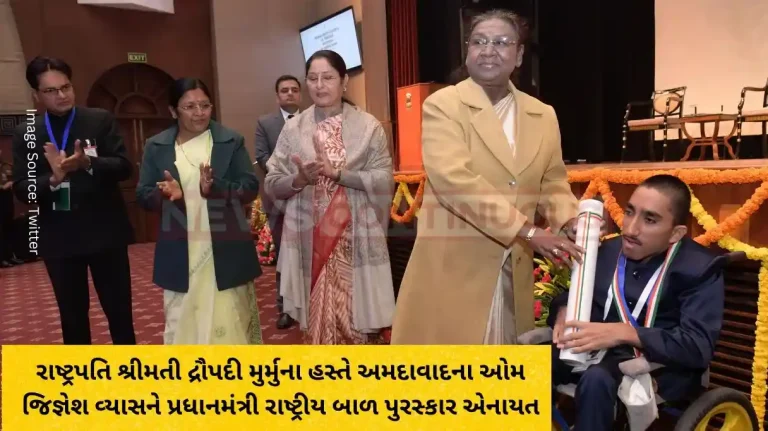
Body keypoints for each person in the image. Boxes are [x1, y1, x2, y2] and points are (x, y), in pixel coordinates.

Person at [391, 10, 590, 345]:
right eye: (479, 41)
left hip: (513, 265)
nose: (488, 50)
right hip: (455, 267)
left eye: (501, 42)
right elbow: (455, 181)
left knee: (506, 362)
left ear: (519, 55)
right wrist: (527, 231)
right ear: (467, 50)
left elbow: (552, 182)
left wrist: (568, 219)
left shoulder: (542, 114)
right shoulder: (444, 105)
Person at [549, 174, 724, 431]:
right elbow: (575, 294)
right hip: (595, 350)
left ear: (675, 233)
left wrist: (627, 333)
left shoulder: (700, 268)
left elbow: (697, 347)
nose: (630, 229)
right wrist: (564, 309)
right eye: (630, 212)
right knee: (523, 363)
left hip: (658, 365)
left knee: (597, 379)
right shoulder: (609, 250)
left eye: (649, 219)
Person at [264, 49, 395, 345]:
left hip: (356, 240)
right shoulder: (293, 129)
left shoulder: (368, 127)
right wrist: (298, 180)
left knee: (355, 321)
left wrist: (340, 175)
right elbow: (272, 182)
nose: (320, 85)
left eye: (328, 78)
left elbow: (384, 179)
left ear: (344, 81)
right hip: (309, 240)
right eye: (313, 78)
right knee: (317, 323)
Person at [11, 56, 136, 345]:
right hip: (60, 238)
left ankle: (131, 370)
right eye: (51, 90)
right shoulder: (27, 133)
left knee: (119, 314)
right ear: (36, 95)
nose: (61, 95)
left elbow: (124, 167)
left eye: (65, 87)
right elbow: (22, 188)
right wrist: (53, 180)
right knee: (73, 318)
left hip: (105, 232)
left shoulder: (99, 120)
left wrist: (87, 163)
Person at [136, 78, 263, 345]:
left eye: (205, 105)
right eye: (190, 107)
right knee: (183, 323)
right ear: (173, 111)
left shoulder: (230, 140)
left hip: (225, 246)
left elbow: (250, 187)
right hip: (181, 248)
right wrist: (165, 194)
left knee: (231, 323)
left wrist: (216, 187)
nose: (199, 113)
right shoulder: (156, 146)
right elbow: (143, 194)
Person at [255, 74, 302, 330]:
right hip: (278, 199)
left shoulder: (312, 120)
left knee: (310, 253)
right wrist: (285, 177)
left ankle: (311, 304)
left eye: (294, 89)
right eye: (285, 90)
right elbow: (262, 156)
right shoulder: (265, 123)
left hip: (309, 198)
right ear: (277, 96)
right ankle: (285, 308)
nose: (290, 93)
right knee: (285, 255)